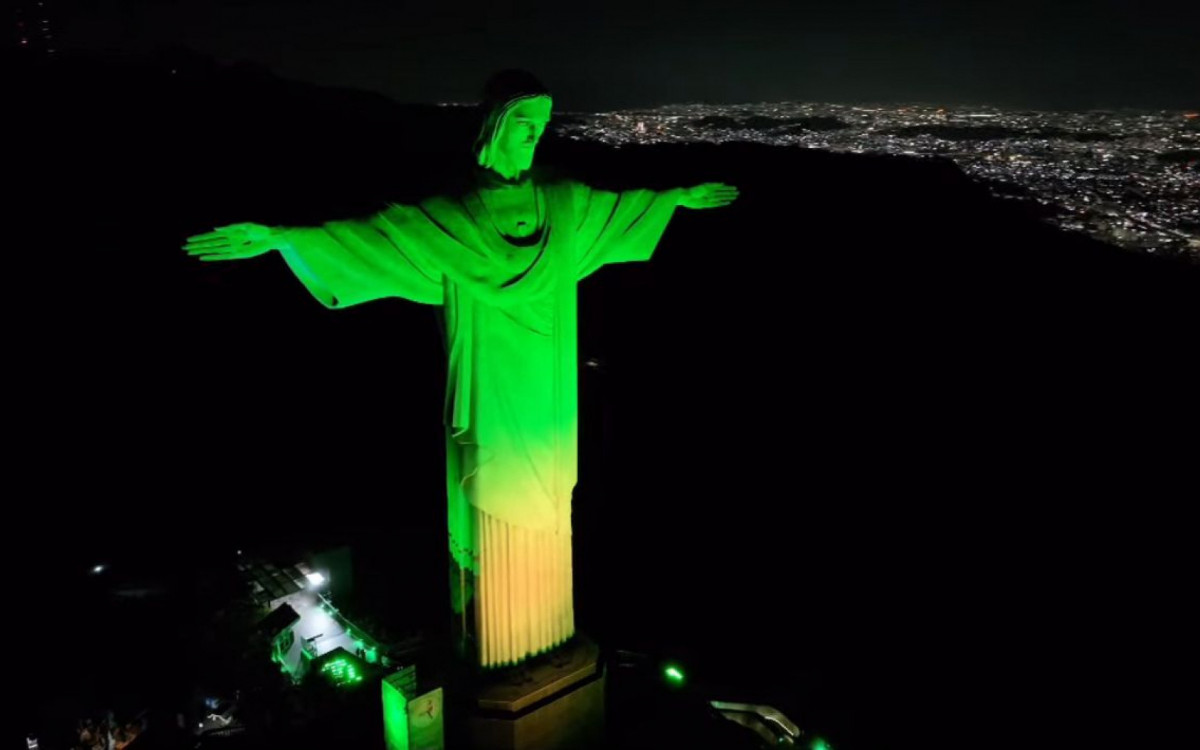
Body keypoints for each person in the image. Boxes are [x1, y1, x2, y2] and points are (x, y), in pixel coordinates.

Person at [184, 69, 738, 668]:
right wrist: (280, 238)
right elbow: (373, 238)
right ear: (495, 127)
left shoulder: (563, 201)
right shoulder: (453, 213)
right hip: (487, 379)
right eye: (524, 123)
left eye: (542, 125)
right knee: (491, 503)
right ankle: (496, 657)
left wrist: (675, 199)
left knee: (548, 503)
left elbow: (620, 213)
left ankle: (534, 652)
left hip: (547, 388)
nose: (534, 135)